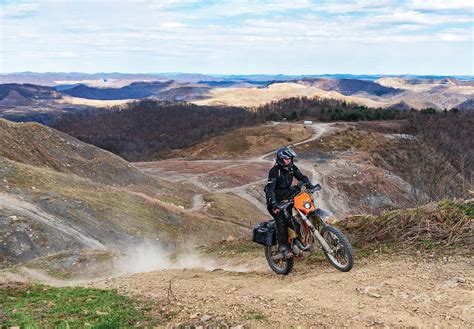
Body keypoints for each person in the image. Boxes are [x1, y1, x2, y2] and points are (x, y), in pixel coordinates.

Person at [264, 146, 315, 257]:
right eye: (287, 159)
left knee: (295, 220)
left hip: (287, 197)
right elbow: (270, 189)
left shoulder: (292, 168)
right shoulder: (274, 172)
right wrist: (273, 203)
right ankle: (283, 247)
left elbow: (301, 177)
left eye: (290, 159)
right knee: (281, 221)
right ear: (281, 159)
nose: (289, 161)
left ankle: (300, 243)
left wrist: (310, 185)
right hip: (275, 201)